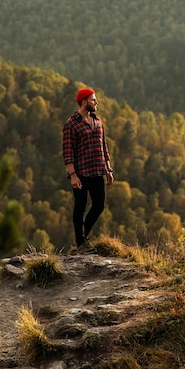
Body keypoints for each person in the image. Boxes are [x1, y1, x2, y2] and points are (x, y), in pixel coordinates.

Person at [62, 87, 114, 253]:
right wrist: (72, 175)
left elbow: (103, 145)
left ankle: (83, 233)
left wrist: (108, 169)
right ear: (84, 102)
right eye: (93, 100)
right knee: (80, 206)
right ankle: (81, 243)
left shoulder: (97, 121)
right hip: (81, 173)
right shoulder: (71, 124)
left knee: (99, 205)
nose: (96, 102)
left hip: (98, 170)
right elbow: (67, 152)